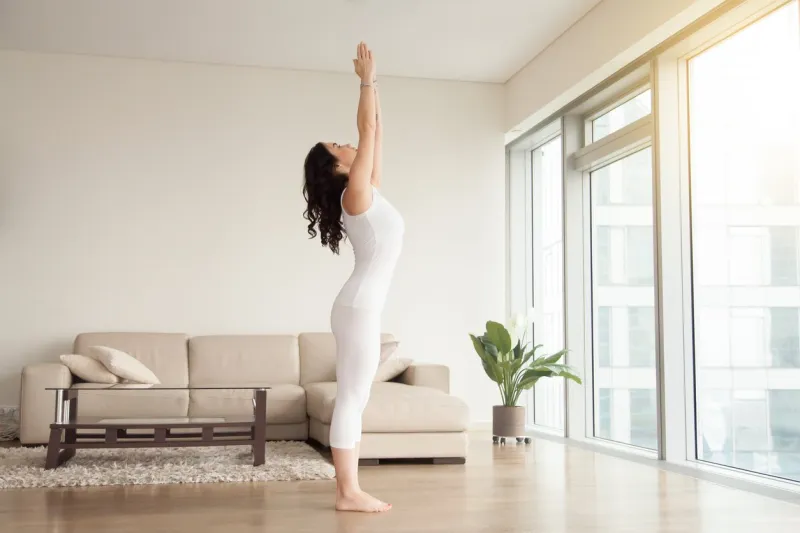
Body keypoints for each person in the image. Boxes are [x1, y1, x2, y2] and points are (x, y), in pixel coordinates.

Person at [302, 42, 403, 513]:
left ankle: (350, 489)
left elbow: (374, 132)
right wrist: (365, 79)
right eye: (338, 146)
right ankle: (347, 492)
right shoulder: (355, 196)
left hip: (359, 305)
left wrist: (376, 86)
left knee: (354, 395)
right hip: (359, 305)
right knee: (353, 397)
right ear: (337, 167)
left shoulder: (367, 191)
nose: (349, 143)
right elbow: (366, 127)